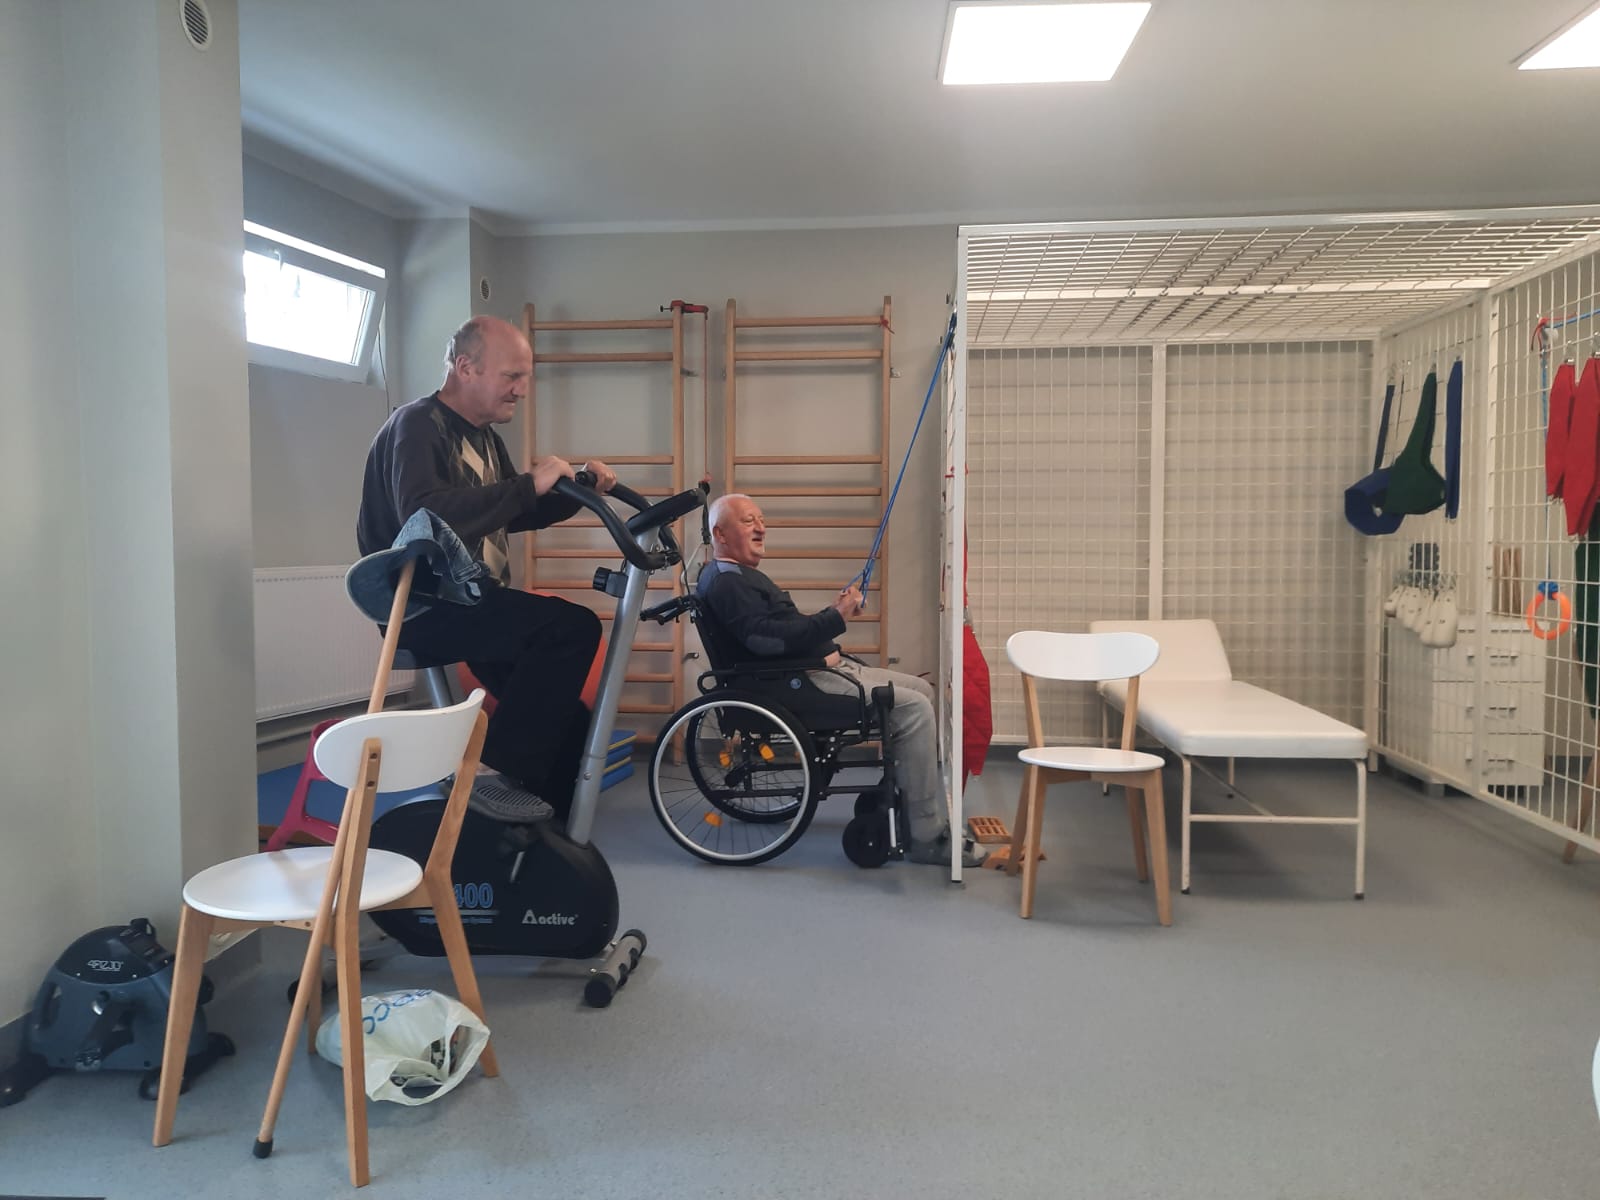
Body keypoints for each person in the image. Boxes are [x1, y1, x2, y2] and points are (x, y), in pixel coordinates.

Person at [357, 314, 616, 823]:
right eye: (511, 376)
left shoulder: (483, 437)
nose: (522, 390)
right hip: (424, 606)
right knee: (571, 628)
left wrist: (578, 491)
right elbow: (425, 516)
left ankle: (532, 838)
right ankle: (489, 775)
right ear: (465, 367)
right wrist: (528, 484)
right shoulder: (417, 425)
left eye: (526, 377)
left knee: (567, 723)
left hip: (472, 602)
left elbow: (506, 510)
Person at [696, 493, 984, 867]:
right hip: (797, 684)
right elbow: (766, 642)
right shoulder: (728, 582)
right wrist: (836, 618)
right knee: (914, 708)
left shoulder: (737, 576)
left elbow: (781, 630)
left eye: (761, 520)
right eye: (749, 521)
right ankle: (927, 837)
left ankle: (908, 801)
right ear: (719, 533)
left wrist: (834, 611)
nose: (761, 528)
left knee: (921, 690)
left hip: (813, 672)